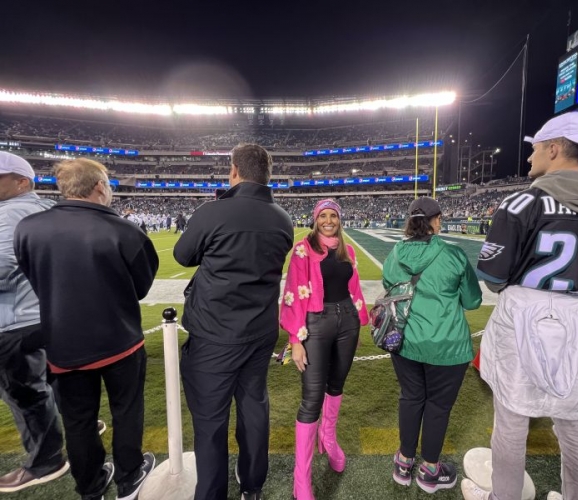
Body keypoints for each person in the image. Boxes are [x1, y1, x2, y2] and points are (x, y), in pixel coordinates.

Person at [461, 112, 578, 500]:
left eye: (536, 149)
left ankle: (503, 496)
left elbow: (493, 277)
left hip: (525, 317)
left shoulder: (522, 203)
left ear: (555, 149)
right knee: (575, 424)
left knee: (511, 421)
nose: (530, 157)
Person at [14, 158, 159, 500]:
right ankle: (129, 477)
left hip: (63, 342)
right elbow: (141, 287)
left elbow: (35, 278)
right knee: (126, 412)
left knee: (78, 420)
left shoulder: (29, 228)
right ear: (99, 187)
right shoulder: (124, 230)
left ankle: (90, 486)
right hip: (119, 339)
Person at [174, 144, 293, 500]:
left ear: (234, 171)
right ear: (268, 175)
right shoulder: (283, 219)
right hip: (260, 332)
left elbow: (183, 255)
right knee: (254, 407)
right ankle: (252, 484)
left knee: (210, 421)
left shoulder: (214, 212)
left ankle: (212, 494)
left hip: (215, 334)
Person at [382, 196, 482, 493]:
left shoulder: (395, 254)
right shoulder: (453, 254)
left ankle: (403, 463)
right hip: (447, 344)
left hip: (406, 340)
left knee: (411, 398)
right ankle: (429, 470)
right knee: (438, 406)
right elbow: (472, 301)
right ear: (435, 221)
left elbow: (391, 290)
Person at [280, 199, 369, 500]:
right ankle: (301, 480)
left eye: (333, 216)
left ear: (339, 220)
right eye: (323, 216)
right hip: (315, 325)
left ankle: (328, 438)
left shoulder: (348, 251)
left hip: (347, 322)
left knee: (336, 386)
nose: (328, 221)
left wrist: (357, 324)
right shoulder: (303, 250)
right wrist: (295, 341)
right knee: (311, 399)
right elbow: (292, 293)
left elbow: (354, 290)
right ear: (315, 219)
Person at [0, 152, 68, 493]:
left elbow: (1, 268)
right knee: (49, 381)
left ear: (21, 181)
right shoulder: (48, 209)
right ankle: (77, 425)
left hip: (14, 317)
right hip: (47, 313)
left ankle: (46, 461)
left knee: (25, 393)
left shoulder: (9, 213)